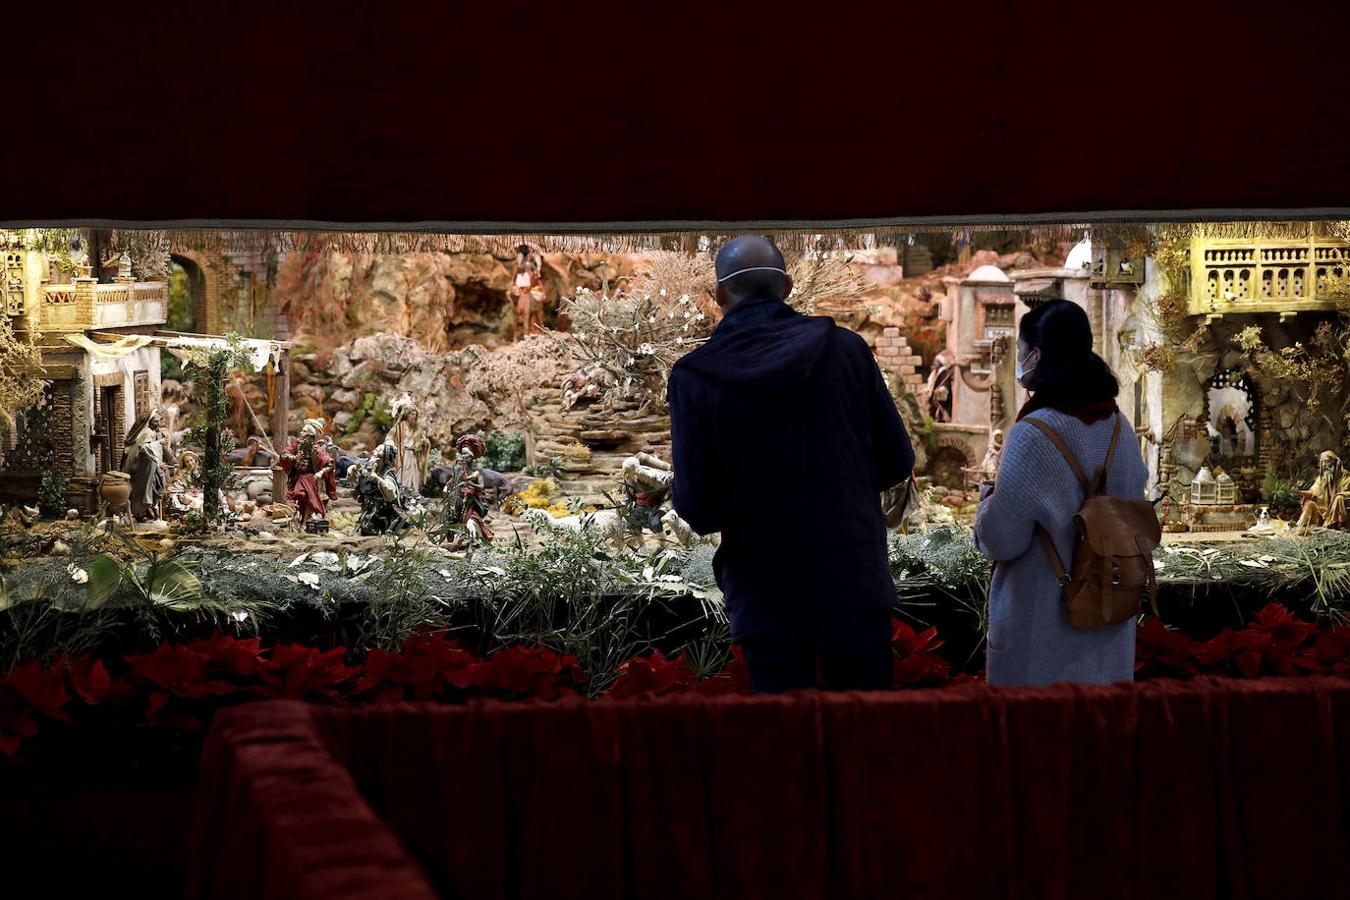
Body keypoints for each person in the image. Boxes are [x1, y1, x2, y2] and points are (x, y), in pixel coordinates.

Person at [667, 236, 914, 694]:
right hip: (854, 577)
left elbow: (698, 508)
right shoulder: (847, 352)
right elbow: (897, 459)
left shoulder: (694, 377)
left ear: (719, 295)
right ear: (788, 285)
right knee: (866, 739)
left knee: (783, 746)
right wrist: (843, 491)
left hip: (765, 590)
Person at [973, 299, 1147, 686]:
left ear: (1037, 355)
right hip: (1107, 626)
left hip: (1041, 638)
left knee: (1038, 743)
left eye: (1021, 351)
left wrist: (986, 506)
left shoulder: (1033, 435)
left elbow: (1003, 540)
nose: (1019, 360)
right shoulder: (1121, 430)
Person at [280, 419, 338, 526]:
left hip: (309, 477)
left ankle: (307, 519)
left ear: (310, 434)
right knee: (298, 496)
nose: (302, 434)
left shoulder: (315, 449)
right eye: (302, 431)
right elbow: (284, 454)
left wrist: (321, 473)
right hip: (297, 476)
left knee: (304, 496)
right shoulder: (296, 445)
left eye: (304, 431)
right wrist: (293, 457)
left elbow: (329, 463)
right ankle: (301, 520)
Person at [121, 409, 167, 521]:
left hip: (149, 468)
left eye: (158, 421)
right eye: (155, 421)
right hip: (143, 469)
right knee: (144, 491)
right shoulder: (148, 433)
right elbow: (144, 447)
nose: (158, 424)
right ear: (149, 422)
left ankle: (146, 513)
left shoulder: (154, 432)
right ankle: (141, 514)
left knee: (153, 489)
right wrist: (158, 443)